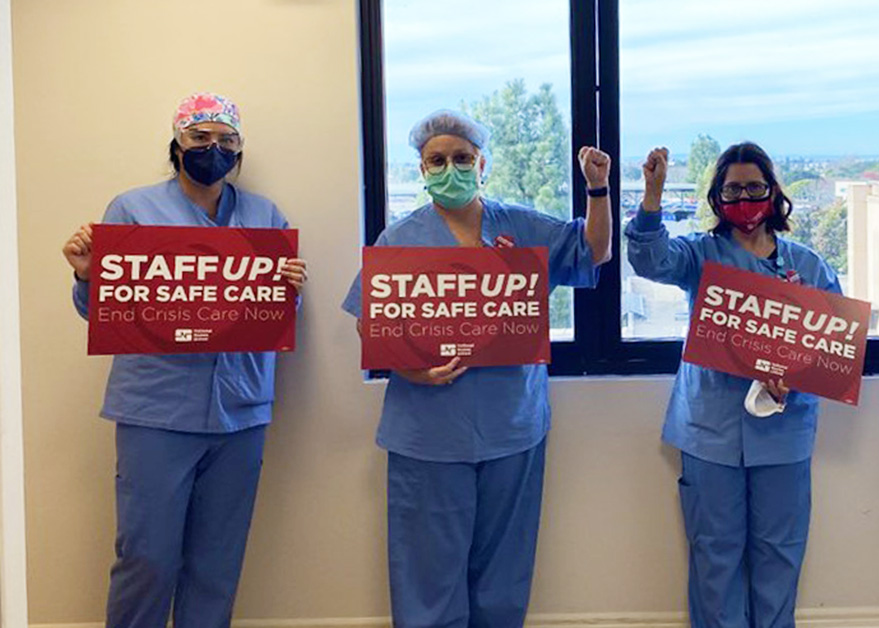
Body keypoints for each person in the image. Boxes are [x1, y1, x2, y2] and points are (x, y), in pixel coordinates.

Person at [341, 109, 612, 628]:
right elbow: (370, 324)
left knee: (502, 579)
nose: (450, 168)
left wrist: (597, 189)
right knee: (427, 577)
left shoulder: (521, 226)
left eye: (461, 158)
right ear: (421, 169)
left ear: (481, 162)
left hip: (512, 426)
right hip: (427, 434)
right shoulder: (398, 239)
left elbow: (593, 250)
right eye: (437, 160)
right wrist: (410, 370)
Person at [61, 92, 308, 628]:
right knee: (146, 558)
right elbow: (104, 311)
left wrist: (290, 290)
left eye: (226, 140)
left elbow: (274, 312)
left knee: (217, 563)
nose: (212, 149)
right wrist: (86, 273)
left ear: (239, 151)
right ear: (177, 144)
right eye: (200, 138)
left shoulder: (266, 216)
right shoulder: (131, 209)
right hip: (155, 410)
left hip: (240, 413)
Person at [625, 142, 841, 628]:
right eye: (733, 189)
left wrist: (797, 375)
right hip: (710, 431)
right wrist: (653, 195)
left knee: (779, 558)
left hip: (784, 435)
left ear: (773, 193)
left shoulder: (808, 266)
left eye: (754, 187)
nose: (744, 197)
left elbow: (836, 345)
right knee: (715, 559)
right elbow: (649, 259)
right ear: (717, 198)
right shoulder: (700, 255)